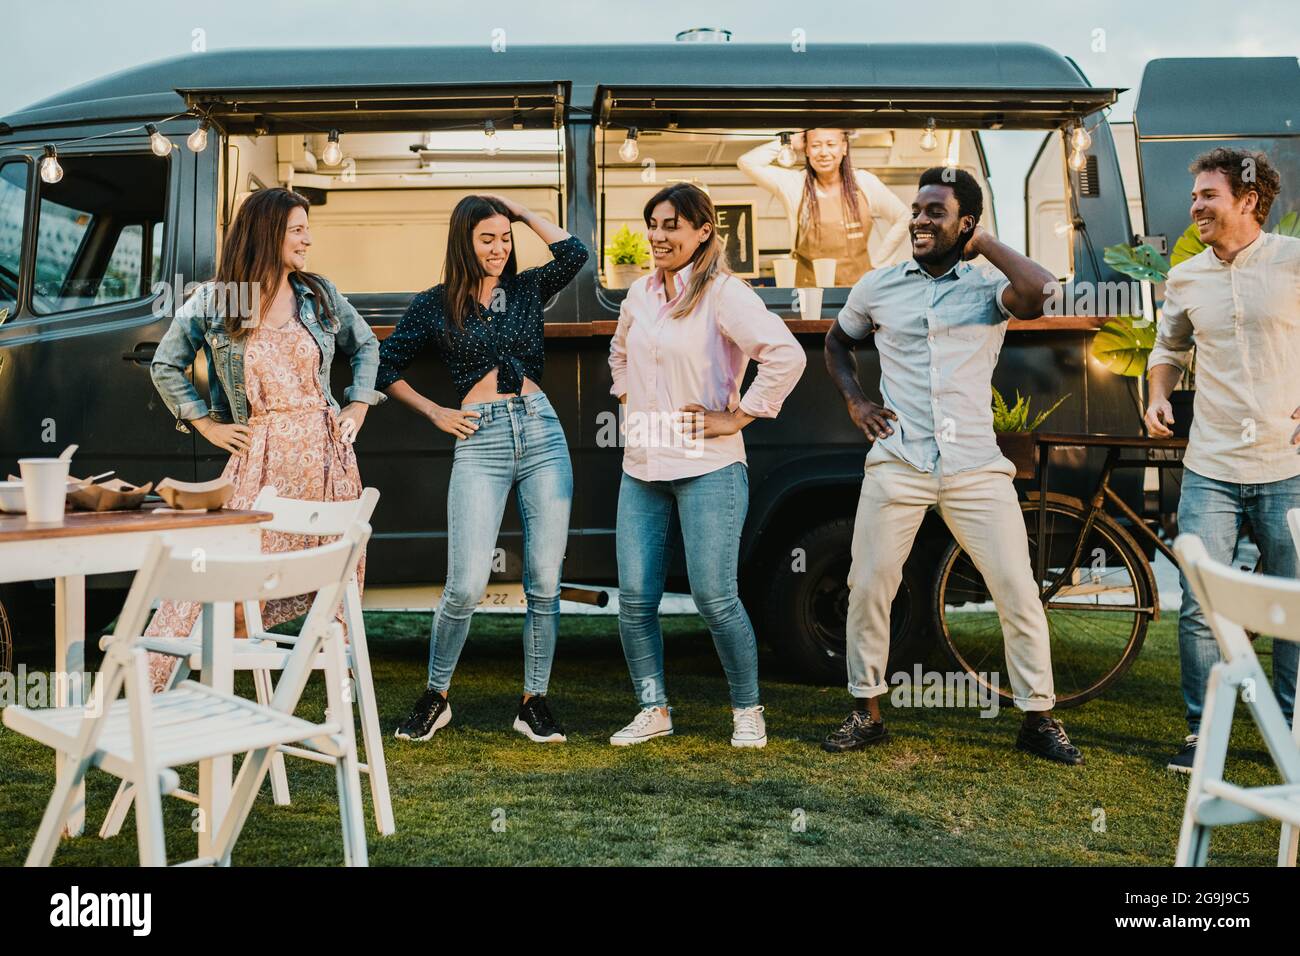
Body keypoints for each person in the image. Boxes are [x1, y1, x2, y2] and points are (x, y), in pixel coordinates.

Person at [821, 166, 1082, 764]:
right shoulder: (879, 285)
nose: (917, 219)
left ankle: (1037, 720)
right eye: (916, 209)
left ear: (965, 223)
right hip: (900, 460)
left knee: (1017, 589)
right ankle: (866, 712)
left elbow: (1044, 293)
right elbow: (838, 342)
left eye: (934, 211)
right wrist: (857, 401)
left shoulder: (988, 288)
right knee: (868, 586)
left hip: (974, 464)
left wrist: (984, 243)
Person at [148, 186, 384, 691]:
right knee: (229, 586)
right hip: (260, 459)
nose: (308, 240)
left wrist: (359, 404)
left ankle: (329, 702)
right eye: (298, 229)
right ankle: (199, 700)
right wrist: (207, 424)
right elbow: (165, 364)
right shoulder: (217, 299)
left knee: (329, 587)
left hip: (327, 460)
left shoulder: (318, 293)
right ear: (267, 232)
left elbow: (366, 344)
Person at [381, 194, 588, 744]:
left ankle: (534, 701)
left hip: (542, 432)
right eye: (486, 238)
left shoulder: (526, 288)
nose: (498, 249)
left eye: (505, 238)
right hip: (481, 437)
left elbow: (575, 253)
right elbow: (385, 367)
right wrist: (435, 412)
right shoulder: (435, 304)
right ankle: (436, 695)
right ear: (463, 244)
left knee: (544, 582)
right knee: (465, 585)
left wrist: (519, 211)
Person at [607, 182, 806, 748]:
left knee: (715, 596)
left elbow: (785, 355)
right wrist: (626, 394)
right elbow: (620, 351)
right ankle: (653, 709)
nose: (658, 235)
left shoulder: (724, 293)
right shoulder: (640, 294)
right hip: (642, 463)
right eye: (653, 223)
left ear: (702, 231)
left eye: (672, 224)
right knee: (636, 599)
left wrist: (738, 416)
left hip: (709, 465)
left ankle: (747, 709)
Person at [1144, 147, 1300, 773]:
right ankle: (1202, 733)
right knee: (1203, 604)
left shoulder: (1293, 262)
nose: (1196, 207)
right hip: (1210, 464)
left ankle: (1290, 732)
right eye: (1195, 197)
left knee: (1295, 603)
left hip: (1287, 465)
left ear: (1248, 200)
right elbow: (1168, 346)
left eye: (1208, 196)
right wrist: (1156, 394)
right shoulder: (1186, 277)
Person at [738, 129, 910, 287]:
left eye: (831, 144)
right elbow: (746, 162)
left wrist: (880, 264)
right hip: (808, 292)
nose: (823, 153)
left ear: (844, 147)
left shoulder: (864, 182)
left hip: (857, 290)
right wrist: (788, 142)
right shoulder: (795, 184)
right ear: (805, 150)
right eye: (815, 145)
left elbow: (904, 217)